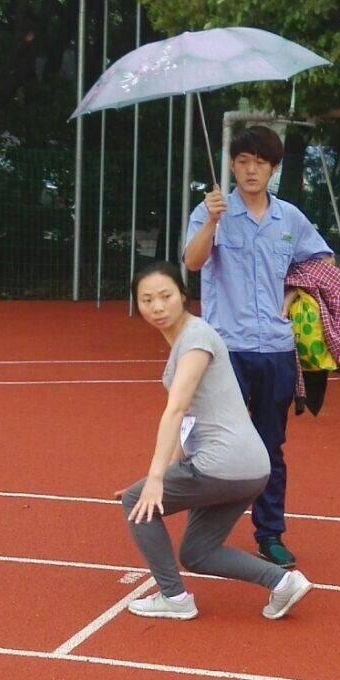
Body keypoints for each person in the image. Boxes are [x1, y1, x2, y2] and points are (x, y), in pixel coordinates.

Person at [117, 261, 313, 621]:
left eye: (165, 296)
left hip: (222, 463)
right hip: (250, 469)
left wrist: (155, 479)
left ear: (183, 296)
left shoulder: (196, 339)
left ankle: (174, 598)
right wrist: (158, 477)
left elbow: (176, 410)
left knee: (135, 503)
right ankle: (283, 583)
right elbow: (190, 419)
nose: (157, 307)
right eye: (147, 300)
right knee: (197, 552)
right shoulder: (187, 342)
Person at [184, 125, 333, 568]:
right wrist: (212, 221)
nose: (251, 170)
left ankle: (270, 534)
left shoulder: (290, 218)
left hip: (276, 350)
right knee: (216, 443)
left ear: (274, 169)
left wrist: (294, 289)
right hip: (226, 349)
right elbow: (192, 262)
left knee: (270, 446)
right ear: (232, 165)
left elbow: (322, 260)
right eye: (244, 161)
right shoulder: (211, 211)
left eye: (261, 163)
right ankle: (204, 534)